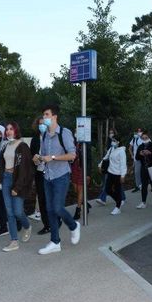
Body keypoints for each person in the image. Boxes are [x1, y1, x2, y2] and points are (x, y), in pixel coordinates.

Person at [36, 104, 80, 255]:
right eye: (44, 115)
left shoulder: (65, 133)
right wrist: (38, 158)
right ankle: (55, 242)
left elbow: (72, 155)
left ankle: (73, 226)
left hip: (61, 176)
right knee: (50, 210)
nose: (45, 118)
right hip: (47, 176)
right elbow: (43, 156)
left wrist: (53, 157)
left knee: (57, 207)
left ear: (55, 117)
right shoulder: (44, 135)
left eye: (47, 115)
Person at [0, 122, 33, 252]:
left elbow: (25, 170)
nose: (8, 131)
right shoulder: (6, 145)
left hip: (17, 181)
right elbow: (3, 163)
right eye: (7, 129)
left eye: (11, 129)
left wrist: (17, 187)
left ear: (16, 130)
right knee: (10, 212)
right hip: (6, 179)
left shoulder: (22, 146)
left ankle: (27, 225)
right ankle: (14, 241)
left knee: (17, 211)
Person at [30, 116, 51, 235]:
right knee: (42, 199)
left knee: (51, 199)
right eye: (40, 124)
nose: (42, 126)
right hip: (39, 172)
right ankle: (47, 224)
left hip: (52, 172)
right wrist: (35, 159)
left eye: (44, 123)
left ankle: (55, 220)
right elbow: (31, 155)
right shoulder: (35, 139)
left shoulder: (52, 137)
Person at [95, 128, 127, 206]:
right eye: (112, 140)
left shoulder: (121, 151)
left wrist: (123, 175)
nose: (112, 142)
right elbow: (106, 157)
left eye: (114, 141)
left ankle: (114, 201)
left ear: (118, 142)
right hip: (110, 171)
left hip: (118, 172)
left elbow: (123, 164)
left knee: (116, 187)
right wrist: (100, 165)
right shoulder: (112, 148)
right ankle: (119, 199)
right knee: (111, 186)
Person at [136, 131, 152, 209]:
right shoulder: (140, 146)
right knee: (144, 185)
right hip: (143, 168)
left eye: (146, 138)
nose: (144, 139)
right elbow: (137, 157)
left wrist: (150, 153)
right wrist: (140, 154)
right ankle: (143, 202)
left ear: (149, 137)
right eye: (143, 138)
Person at [71, 139, 92, 220]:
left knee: (80, 189)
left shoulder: (86, 143)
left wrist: (88, 173)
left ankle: (78, 210)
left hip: (82, 168)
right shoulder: (72, 142)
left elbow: (89, 159)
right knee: (76, 190)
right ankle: (84, 203)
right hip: (73, 168)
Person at [129, 128, 143, 193]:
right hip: (136, 159)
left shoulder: (144, 138)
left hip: (143, 159)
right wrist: (132, 155)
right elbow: (130, 148)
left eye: (140, 131)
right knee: (137, 172)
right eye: (138, 131)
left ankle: (143, 185)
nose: (138, 132)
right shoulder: (134, 139)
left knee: (142, 172)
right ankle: (138, 186)